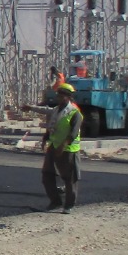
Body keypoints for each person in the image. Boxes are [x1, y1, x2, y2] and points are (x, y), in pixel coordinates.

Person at [42, 82, 83, 213]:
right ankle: (55, 201)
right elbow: (52, 126)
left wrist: (63, 145)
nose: (58, 97)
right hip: (53, 146)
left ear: (68, 96)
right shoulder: (56, 110)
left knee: (69, 178)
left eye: (61, 95)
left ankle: (69, 204)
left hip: (68, 150)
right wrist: (45, 139)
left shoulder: (75, 113)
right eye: (58, 95)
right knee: (47, 175)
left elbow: (73, 133)